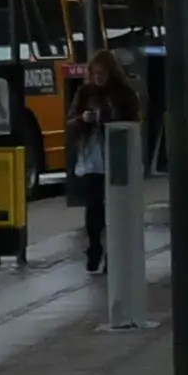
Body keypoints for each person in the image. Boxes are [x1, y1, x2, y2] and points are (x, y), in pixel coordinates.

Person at [66, 49, 140, 277]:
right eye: (94, 74)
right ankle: (95, 247)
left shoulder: (124, 93)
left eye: (102, 73)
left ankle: (112, 254)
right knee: (94, 205)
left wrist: (105, 116)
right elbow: (72, 119)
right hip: (92, 153)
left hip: (116, 153)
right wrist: (83, 120)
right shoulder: (85, 92)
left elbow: (131, 119)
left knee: (116, 206)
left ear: (111, 72)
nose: (97, 78)